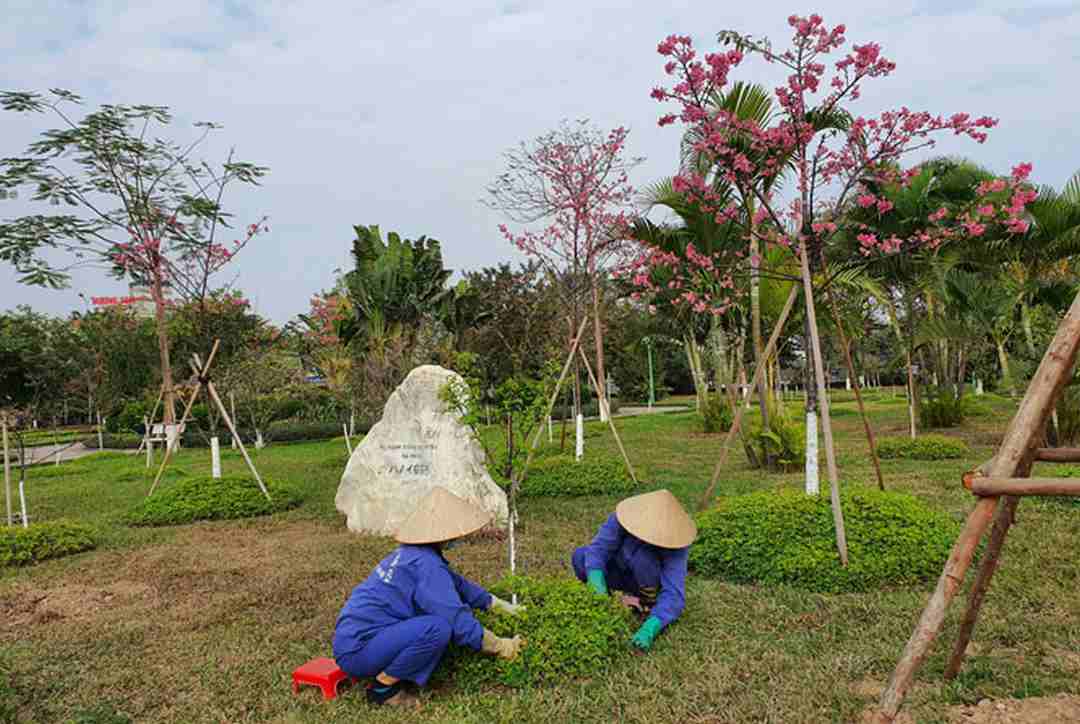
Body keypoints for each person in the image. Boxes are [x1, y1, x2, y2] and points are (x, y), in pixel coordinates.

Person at [333, 487, 526, 707]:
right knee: (437, 628)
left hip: (353, 638)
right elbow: (456, 619)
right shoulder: (426, 565)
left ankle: (387, 671)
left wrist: (498, 605)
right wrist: (501, 645)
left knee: (434, 625)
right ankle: (382, 688)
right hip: (358, 650)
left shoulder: (411, 554)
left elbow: (459, 585)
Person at [571, 488, 696, 652]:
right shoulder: (622, 518)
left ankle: (645, 601)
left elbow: (674, 593)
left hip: (645, 579)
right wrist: (596, 581)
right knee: (581, 556)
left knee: (642, 556)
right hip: (619, 568)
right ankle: (604, 596)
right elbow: (599, 549)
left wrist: (651, 627)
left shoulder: (676, 543)